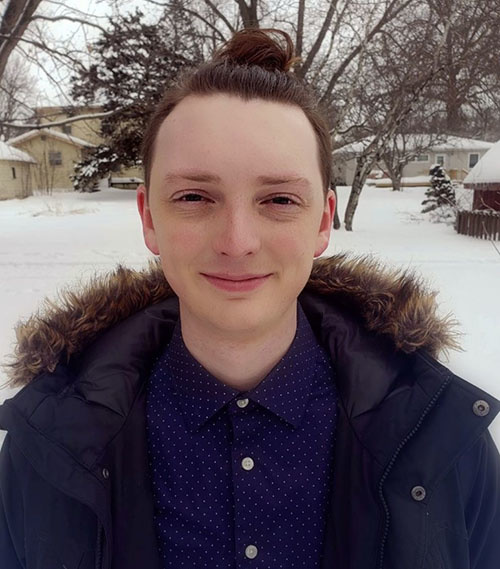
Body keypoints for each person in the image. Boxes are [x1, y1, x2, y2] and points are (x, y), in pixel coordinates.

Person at [0, 28, 499, 569]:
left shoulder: (440, 442)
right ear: (149, 219)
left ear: (323, 222)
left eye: (279, 199)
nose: (237, 242)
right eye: (194, 196)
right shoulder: (46, 451)